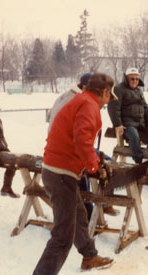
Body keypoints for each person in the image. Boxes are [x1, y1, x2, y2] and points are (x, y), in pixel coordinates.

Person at [31, 73, 117, 275]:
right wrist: (94, 167)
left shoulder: (80, 99)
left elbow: (75, 138)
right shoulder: (89, 104)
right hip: (61, 174)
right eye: (109, 97)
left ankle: (89, 256)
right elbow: (82, 139)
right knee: (62, 238)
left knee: (79, 215)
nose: (108, 102)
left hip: (59, 170)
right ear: (104, 92)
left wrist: (91, 164)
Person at [47, 73, 98, 220]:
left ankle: (88, 211)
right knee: (84, 170)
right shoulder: (76, 100)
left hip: (60, 146)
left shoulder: (67, 96)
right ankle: (88, 213)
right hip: (65, 150)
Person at [108, 67, 148, 163]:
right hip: (127, 123)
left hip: (139, 122)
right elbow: (113, 107)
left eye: (136, 79)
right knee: (134, 136)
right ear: (126, 79)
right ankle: (138, 160)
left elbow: (145, 107)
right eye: (132, 79)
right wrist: (117, 124)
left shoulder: (139, 90)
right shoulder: (118, 89)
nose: (135, 81)